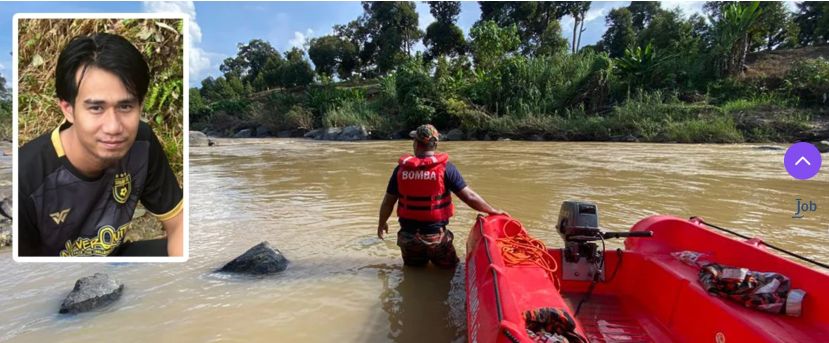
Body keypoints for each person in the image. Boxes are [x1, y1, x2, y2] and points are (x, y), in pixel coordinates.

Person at [18, 33, 183, 257]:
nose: (113, 127)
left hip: (113, 260)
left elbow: (179, 222)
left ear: (140, 106)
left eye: (125, 106)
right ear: (68, 110)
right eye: (96, 108)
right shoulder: (26, 176)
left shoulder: (142, 143)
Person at [377, 124, 504, 268]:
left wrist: (382, 223)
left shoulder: (400, 170)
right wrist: (493, 211)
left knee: (413, 272)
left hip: (408, 237)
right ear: (435, 145)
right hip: (436, 238)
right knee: (450, 271)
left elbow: (388, 202)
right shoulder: (446, 169)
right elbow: (470, 197)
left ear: (416, 143)